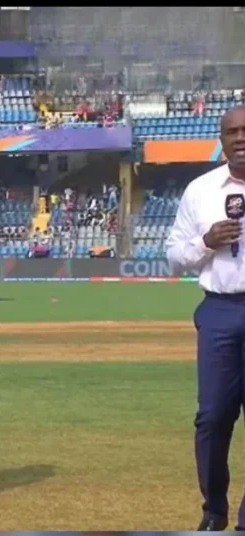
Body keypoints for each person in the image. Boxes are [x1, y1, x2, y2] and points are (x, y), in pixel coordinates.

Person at [166, 104, 245, 531]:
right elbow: (174, 255)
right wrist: (205, 240)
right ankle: (214, 509)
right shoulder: (200, 190)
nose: (241, 138)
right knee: (213, 416)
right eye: (232, 131)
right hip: (219, 310)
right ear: (221, 139)